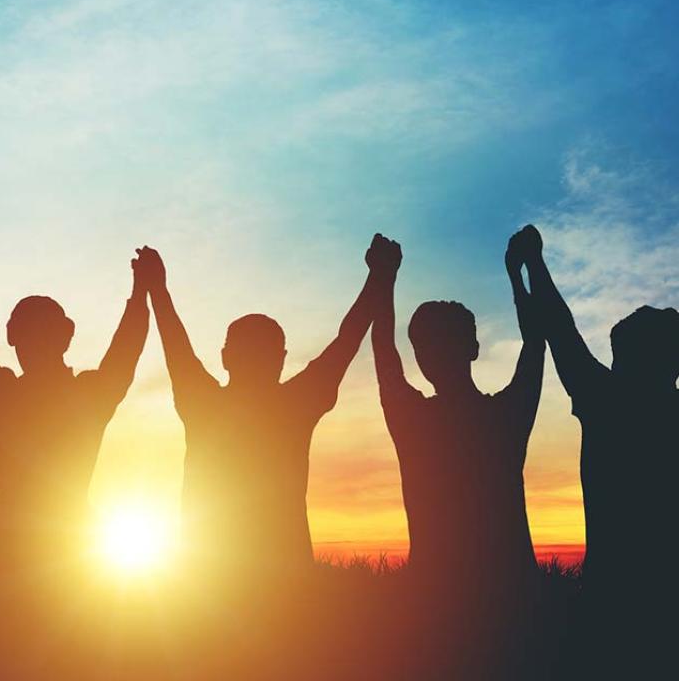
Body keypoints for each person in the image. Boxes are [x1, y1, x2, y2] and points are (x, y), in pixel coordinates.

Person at [135, 237, 388, 579]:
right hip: (280, 580)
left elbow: (173, 339)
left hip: (206, 584)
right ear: (281, 360)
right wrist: (380, 277)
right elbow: (347, 340)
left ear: (225, 356)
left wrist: (156, 288)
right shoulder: (296, 404)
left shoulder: (203, 403)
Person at [0, 241, 150, 577]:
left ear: (11, 336)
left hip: (28, 554)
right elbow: (126, 352)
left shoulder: (3, 395)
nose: (29, 341)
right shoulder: (87, 397)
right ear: (67, 336)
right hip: (69, 553)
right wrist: (141, 293)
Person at [520, 224, 678, 665]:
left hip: (611, 606)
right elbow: (560, 328)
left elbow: (558, 328)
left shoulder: (606, 400)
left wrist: (533, 261)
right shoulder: (614, 399)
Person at [370, 228, 544, 589]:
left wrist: (384, 278)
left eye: (427, 346)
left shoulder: (411, 420)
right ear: (474, 348)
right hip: (512, 596)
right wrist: (519, 270)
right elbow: (535, 342)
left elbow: (383, 345)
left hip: (436, 599)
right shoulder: (507, 415)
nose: (429, 354)